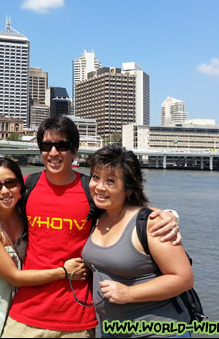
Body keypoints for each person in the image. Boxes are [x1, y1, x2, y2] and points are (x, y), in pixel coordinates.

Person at [2, 116, 181, 338]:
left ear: (75, 151)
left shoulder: (92, 190)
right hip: (25, 312)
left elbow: (128, 210)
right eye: (47, 146)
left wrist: (167, 215)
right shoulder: (27, 187)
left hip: (77, 318)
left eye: (63, 146)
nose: (54, 153)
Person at [0, 157, 87, 338]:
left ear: (20, 186)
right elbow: (14, 277)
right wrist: (64, 272)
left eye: (10, 183)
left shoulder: (23, 215)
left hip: (13, 304)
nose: (4, 191)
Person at [81, 144, 194, 338]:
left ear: (129, 189)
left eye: (110, 181)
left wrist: (128, 294)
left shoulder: (151, 224)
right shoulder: (98, 216)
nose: (99, 186)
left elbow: (184, 279)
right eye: (95, 177)